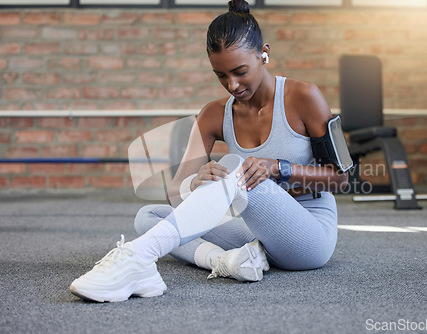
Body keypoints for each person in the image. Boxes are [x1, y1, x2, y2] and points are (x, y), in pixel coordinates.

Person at [69, 0, 348, 303]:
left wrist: (279, 168)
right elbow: (176, 193)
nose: (233, 84)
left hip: (308, 235)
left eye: (241, 71)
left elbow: (342, 179)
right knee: (148, 215)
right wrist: (196, 182)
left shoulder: (304, 96)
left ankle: (137, 256)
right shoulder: (214, 114)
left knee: (236, 167)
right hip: (253, 230)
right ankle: (228, 262)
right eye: (221, 75)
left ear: (263, 53)